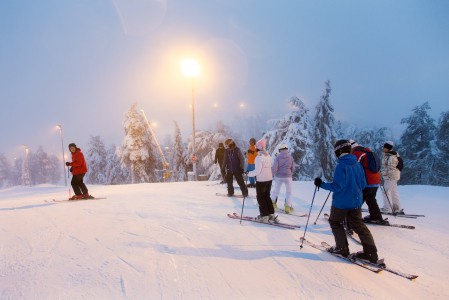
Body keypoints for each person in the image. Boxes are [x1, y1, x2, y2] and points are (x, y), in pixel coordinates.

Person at [314, 139, 380, 264]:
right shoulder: (357, 164)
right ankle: (371, 253)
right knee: (359, 225)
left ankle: (342, 249)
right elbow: (363, 184)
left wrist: (321, 184)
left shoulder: (341, 166)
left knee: (335, 222)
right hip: (356, 202)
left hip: (341, 203)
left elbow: (337, 187)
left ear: (338, 152)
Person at [350, 140, 388, 225]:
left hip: (367, 181)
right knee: (371, 199)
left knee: (357, 200)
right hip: (376, 180)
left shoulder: (357, 154)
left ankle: (352, 220)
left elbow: (353, 168)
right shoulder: (368, 152)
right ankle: (376, 217)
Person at [248, 138, 278, 223]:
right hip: (269, 179)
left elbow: (257, 171)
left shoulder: (259, 158)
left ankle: (264, 215)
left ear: (258, 148)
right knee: (267, 196)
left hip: (261, 180)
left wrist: (248, 174)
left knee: (260, 197)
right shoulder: (268, 155)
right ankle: (271, 214)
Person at [270, 144, 296, 213]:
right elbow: (293, 168)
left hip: (279, 176)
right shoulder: (290, 157)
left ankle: (272, 204)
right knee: (289, 192)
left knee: (276, 191)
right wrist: (290, 173)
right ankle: (287, 207)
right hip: (288, 177)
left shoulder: (278, 158)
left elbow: (275, 168)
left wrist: (272, 175)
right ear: (287, 149)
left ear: (280, 150)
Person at [380, 141, 402, 214]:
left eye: (384, 147)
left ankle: (387, 208)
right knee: (393, 192)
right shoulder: (391, 155)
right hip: (393, 176)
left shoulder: (390, 157)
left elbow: (390, 168)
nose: (383, 148)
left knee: (385, 192)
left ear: (387, 148)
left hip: (390, 177)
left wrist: (384, 174)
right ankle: (396, 208)